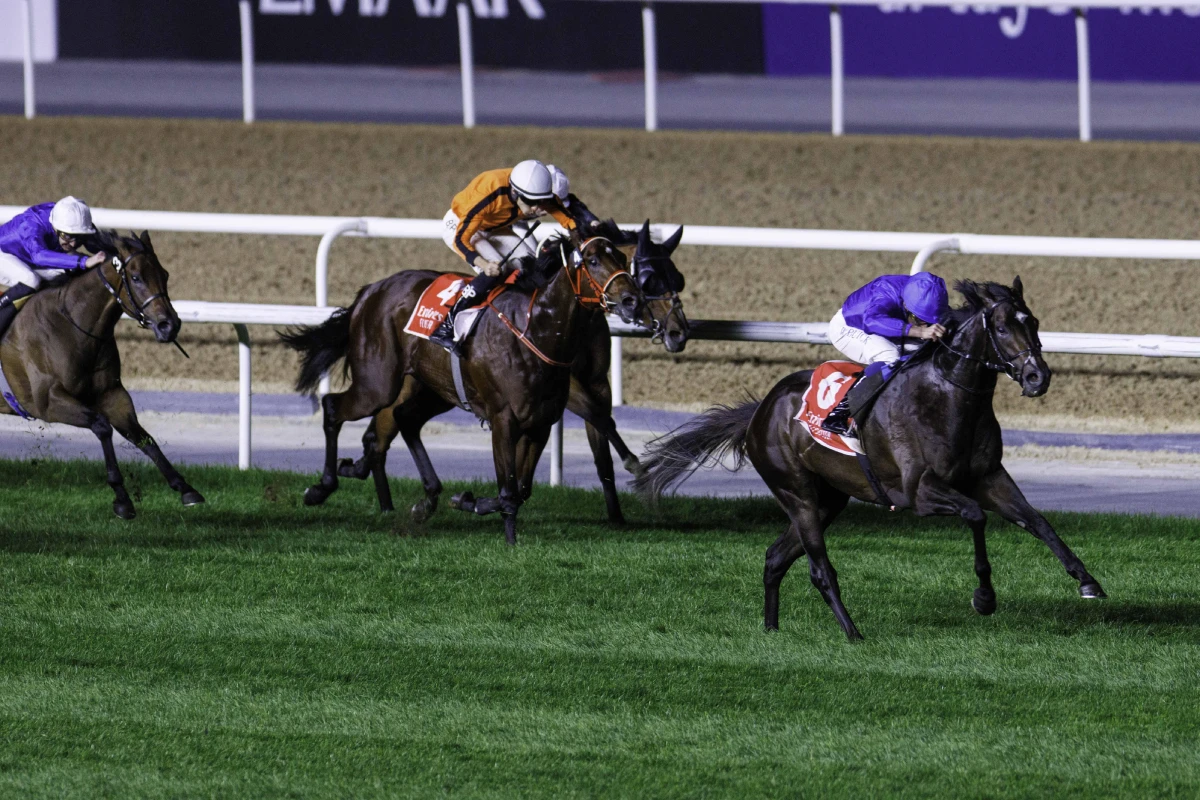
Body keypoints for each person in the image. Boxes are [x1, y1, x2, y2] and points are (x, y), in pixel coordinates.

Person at [430, 160, 595, 354]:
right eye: (532, 203)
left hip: (494, 225)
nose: (536, 209)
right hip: (461, 226)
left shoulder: (536, 190)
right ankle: (445, 326)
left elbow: (568, 221)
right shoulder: (488, 193)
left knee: (532, 264)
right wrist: (483, 263)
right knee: (495, 270)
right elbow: (461, 239)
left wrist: (585, 244)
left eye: (541, 202)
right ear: (515, 193)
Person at [821, 271, 949, 435]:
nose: (926, 325)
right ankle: (838, 414)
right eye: (921, 320)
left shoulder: (924, 293)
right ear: (907, 307)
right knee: (890, 356)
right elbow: (872, 321)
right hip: (851, 326)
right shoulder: (886, 290)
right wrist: (918, 331)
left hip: (882, 324)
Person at [0, 196, 108, 338]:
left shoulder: (72, 221)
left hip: (24, 255)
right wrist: (83, 261)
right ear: (56, 228)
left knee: (71, 266)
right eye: (68, 237)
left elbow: (96, 245)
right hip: (4, 253)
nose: (74, 244)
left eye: (79, 237)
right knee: (30, 280)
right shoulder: (31, 225)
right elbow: (39, 256)